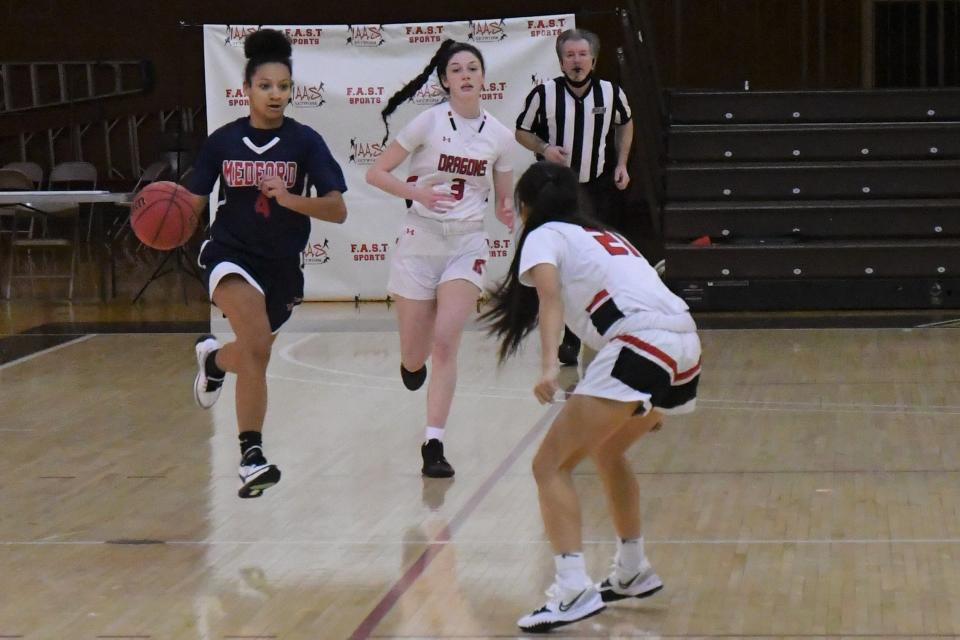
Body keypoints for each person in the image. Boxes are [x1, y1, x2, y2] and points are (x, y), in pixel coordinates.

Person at [483, 161, 700, 633]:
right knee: (608, 449)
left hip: (641, 346)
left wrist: (546, 368)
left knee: (548, 466)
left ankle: (572, 588)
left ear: (525, 208)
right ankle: (631, 569)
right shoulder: (608, 237)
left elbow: (550, 300)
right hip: (684, 345)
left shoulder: (544, 235)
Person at [186, 29, 348, 498]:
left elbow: (337, 209)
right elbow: (192, 203)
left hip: (282, 266)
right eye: (266, 86)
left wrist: (293, 200)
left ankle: (214, 359)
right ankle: (250, 456)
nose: (275, 94)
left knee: (252, 352)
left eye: (283, 87)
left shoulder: (305, 142)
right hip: (228, 254)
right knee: (255, 339)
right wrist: (163, 220)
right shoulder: (222, 142)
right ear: (247, 91)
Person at [366, 39, 516, 478]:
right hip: (420, 240)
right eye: (457, 69)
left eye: (473, 67)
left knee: (446, 341)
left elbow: (503, 196)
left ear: (484, 77)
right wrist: (416, 192)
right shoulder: (427, 123)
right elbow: (375, 172)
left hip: (466, 244)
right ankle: (410, 366)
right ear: (445, 80)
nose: (466, 74)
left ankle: (433, 442)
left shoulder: (500, 136)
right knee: (416, 356)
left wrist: (506, 210)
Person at [515, 28, 634, 367]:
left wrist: (622, 162)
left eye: (583, 55)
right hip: (555, 192)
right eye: (570, 55)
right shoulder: (544, 94)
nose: (577, 61)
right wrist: (544, 148)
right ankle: (567, 338)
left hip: (595, 187)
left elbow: (625, 123)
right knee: (560, 266)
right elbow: (521, 131)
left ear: (593, 60)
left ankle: (604, 333)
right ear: (561, 60)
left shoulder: (611, 93)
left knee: (595, 264)